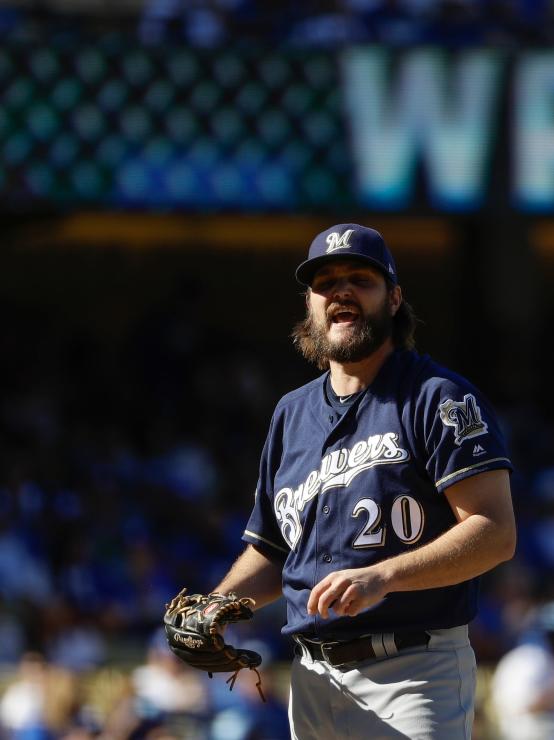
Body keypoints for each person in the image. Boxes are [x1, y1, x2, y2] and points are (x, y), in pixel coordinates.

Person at [206, 223, 516, 739]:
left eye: (359, 279)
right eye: (325, 282)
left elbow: (494, 531)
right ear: (310, 304)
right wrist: (218, 606)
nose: (340, 291)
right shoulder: (291, 414)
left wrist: (383, 577)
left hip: (413, 671)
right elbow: (275, 550)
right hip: (311, 679)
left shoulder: (437, 396)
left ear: (394, 299)